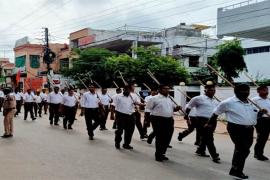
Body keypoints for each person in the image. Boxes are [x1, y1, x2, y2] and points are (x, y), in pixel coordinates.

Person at [208, 84, 267, 179]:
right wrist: (209, 124)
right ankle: (237, 171)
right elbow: (215, 113)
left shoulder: (251, 102)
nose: (246, 93)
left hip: (249, 129)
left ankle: (235, 169)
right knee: (242, 149)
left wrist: (260, 113)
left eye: (247, 91)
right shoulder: (228, 102)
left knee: (244, 150)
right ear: (236, 92)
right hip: (236, 128)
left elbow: (253, 117)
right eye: (243, 91)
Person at [183, 84, 220, 163]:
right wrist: (186, 116)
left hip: (213, 120)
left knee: (205, 137)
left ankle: (200, 150)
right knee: (209, 137)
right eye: (210, 90)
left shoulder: (215, 100)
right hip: (201, 120)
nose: (212, 92)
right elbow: (189, 107)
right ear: (205, 90)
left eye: (213, 90)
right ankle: (214, 155)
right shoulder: (198, 98)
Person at [146, 84, 181, 162]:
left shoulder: (170, 98)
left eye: (168, 89)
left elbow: (173, 109)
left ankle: (163, 153)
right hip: (157, 119)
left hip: (169, 120)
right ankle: (158, 155)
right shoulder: (154, 98)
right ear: (160, 90)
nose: (168, 90)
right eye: (165, 89)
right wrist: (147, 121)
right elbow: (148, 109)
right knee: (160, 137)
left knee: (167, 137)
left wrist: (177, 108)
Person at [114, 85, 142, 149]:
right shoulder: (118, 96)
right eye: (127, 90)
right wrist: (112, 115)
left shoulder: (133, 96)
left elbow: (137, 103)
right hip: (120, 115)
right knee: (119, 131)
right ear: (124, 89)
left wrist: (141, 104)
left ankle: (126, 144)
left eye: (130, 90)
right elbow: (113, 105)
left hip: (131, 115)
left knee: (130, 131)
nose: (128, 91)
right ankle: (117, 142)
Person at [252, 85, 270, 161]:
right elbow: (252, 110)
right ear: (258, 91)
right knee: (261, 138)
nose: (266, 92)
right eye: (264, 90)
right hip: (260, 120)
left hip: (268, 120)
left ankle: (259, 153)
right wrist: (260, 111)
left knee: (265, 137)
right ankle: (258, 154)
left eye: (267, 90)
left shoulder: (268, 100)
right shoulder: (254, 100)